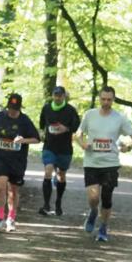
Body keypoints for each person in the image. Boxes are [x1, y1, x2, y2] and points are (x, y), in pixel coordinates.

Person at [76, 85, 132, 242]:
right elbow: (78, 134)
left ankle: (103, 227)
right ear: (99, 98)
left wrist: (129, 147)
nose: (106, 102)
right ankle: (92, 212)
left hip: (110, 163)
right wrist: (82, 144)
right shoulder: (89, 115)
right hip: (91, 162)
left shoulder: (119, 118)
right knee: (93, 197)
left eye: (109, 100)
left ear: (113, 100)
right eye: (103, 99)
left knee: (106, 197)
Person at [0, 93, 40, 233]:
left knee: (13, 190)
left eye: (15, 109)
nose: (12, 111)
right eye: (11, 108)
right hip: (0, 157)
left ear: (19, 108)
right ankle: (0, 218)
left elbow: (37, 139)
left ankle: (11, 218)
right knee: (0, 186)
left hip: (17, 160)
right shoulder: (0, 116)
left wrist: (23, 141)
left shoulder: (25, 121)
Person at [38, 85, 81, 216]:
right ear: (52, 95)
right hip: (49, 146)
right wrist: (41, 133)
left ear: (64, 96)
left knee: (61, 175)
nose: (57, 97)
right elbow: (41, 124)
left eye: (60, 95)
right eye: (55, 95)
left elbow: (77, 126)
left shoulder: (70, 110)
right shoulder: (46, 108)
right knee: (48, 171)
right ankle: (46, 204)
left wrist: (66, 128)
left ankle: (58, 202)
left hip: (64, 148)